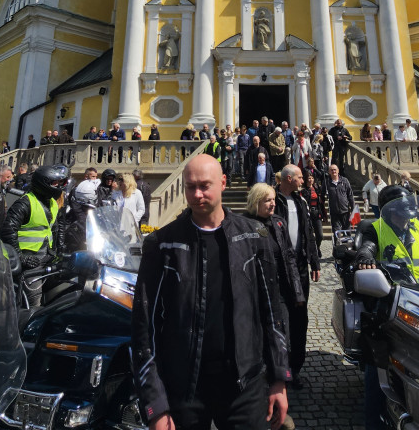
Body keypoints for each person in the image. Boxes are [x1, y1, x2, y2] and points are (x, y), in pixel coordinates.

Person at [132, 154, 289, 430]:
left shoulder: (254, 236)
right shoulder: (163, 243)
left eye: (205, 185)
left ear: (223, 183)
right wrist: (155, 404)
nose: (197, 194)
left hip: (245, 382)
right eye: (190, 186)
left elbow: (271, 311)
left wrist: (278, 377)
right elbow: (145, 326)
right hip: (184, 386)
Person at [246, 183, 303, 427]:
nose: (272, 203)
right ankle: (262, 396)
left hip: (280, 294)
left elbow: (289, 258)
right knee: (258, 344)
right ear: (255, 201)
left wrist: (298, 293)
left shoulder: (279, 223)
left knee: (284, 342)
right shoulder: (245, 225)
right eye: (267, 200)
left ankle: (277, 389)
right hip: (255, 295)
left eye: (273, 199)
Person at [274, 165, 320, 390]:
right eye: (300, 176)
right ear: (289, 178)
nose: (304, 179)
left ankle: (296, 368)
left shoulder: (301, 202)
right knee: (281, 319)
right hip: (279, 271)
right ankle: (280, 370)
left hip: (300, 269)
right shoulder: (272, 201)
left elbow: (308, 233)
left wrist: (315, 262)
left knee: (300, 320)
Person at [0, 164, 70, 307]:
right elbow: (7, 230)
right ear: (43, 183)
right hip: (30, 261)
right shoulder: (25, 203)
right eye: (54, 183)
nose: (58, 186)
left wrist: (60, 249)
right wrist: (20, 257)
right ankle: (28, 323)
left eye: (60, 183)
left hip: (48, 257)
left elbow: (55, 229)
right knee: (34, 301)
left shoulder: (52, 203)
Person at [302, 172, 326, 256]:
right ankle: (312, 251)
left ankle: (317, 247)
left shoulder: (317, 188)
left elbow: (322, 200)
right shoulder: (303, 190)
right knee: (309, 235)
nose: (310, 180)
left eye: (312, 178)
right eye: (309, 178)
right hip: (308, 214)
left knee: (320, 235)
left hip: (317, 212)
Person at [326, 164, 354, 232]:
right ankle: (337, 243)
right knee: (336, 232)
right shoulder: (327, 182)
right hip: (334, 211)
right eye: (331, 170)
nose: (333, 171)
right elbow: (321, 195)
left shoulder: (344, 181)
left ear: (338, 171)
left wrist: (353, 207)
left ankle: (347, 242)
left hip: (345, 210)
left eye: (335, 169)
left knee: (347, 231)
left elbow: (350, 195)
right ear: (329, 172)